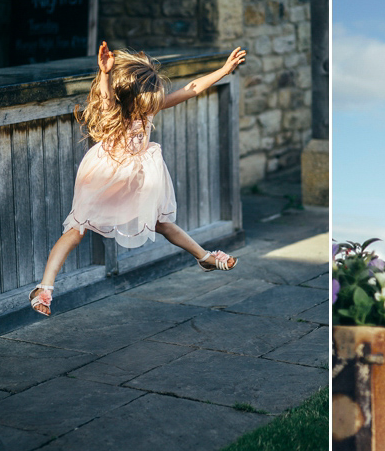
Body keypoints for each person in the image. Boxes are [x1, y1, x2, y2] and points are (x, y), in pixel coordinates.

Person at [28, 41, 247, 316]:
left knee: (162, 223)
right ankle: (44, 288)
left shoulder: (149, 110)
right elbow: (107, 96)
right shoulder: (114, 113)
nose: (153, 105)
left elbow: (191, 89)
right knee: (75, 230)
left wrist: (224, 70)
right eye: (149, 100)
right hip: (104, 177)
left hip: (135, 177)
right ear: (131, 96)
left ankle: (204, 257)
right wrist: (106, 73)